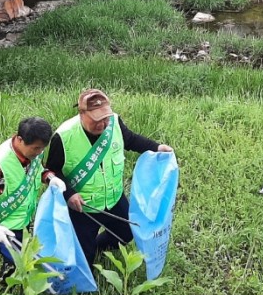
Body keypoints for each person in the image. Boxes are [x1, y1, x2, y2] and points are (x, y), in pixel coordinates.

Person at [45, 89, 173, 268]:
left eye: (105, 117)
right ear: (82, 113)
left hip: (113, 197)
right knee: (84, 259)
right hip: (83, 207)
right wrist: (69, 194)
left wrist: (157, 147)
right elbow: (51, 171)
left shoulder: (114, 123)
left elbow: (130, 140)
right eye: (97, 119)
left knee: (126, 233)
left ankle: (97, 246)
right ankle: (85, 258)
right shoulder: (63, 137)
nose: (103, 124)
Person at [0, 117, 64, 281]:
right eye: (35, 148)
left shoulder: (34, 154)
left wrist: (50, 178)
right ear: (20, 140)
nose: (38, 152)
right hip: (3, 226)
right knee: (23, 264)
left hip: (24, 222)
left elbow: (37, 170)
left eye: (42, 149)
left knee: (18, 261)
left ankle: (7, 285)